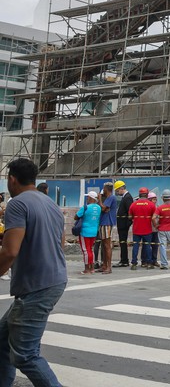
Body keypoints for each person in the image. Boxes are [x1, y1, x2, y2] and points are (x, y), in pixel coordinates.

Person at [0, 157, 68, 386]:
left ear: (11, 179)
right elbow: (60, 243)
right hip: (53, 280)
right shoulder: (51, 204)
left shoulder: (17, 203)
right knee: (2, 341)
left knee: (25, 354)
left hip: (37, 286)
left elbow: (9, 251)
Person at [128, 188, 156, 270]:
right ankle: (149, 263)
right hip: (147, 229)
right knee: (147, 246)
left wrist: (135, 218)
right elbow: (154, 216)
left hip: (136, 229)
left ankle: (134, 264)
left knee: (135, 246)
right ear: (147, 195)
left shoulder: (133, 204)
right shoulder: (151, 205)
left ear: (139, 194)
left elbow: (130, 216)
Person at [76, 191, 101, 275]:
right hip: (94, 231)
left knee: (85, 250)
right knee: (90, 249)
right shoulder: (98, 208)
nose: (87, 199)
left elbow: (76, 216)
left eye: (88, 197)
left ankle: (87, 269)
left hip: (85, 231)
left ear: (91, 198)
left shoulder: (85, 207)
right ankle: (92, 268)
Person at [96, 182, 116, 274]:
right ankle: (104, 265)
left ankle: (108, 266)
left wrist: (100, 200)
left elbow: (104, 208)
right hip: (103, 222)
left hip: (107, 223)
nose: (103, 190)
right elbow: (104, 209)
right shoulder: (108, 198)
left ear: (107, 189)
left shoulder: (111, 197)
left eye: (104, 188)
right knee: (104, 245)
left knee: (107, 245)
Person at [113, 180, 133, 268]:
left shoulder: (127, 197)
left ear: (121, 188)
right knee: (122, 242)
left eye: (117, 190)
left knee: (123, 242)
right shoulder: (125, 197)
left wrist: (127, 224)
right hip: (122, 224)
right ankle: (123, 260)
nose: (117, 193)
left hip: (123, 225)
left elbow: (130, 212)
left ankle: (124, 260)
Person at [147, 191, 160, 267]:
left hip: (155, 230)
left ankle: (154, 260)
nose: (155, 201)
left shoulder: (157, 207)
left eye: (155, 199)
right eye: (153, 199)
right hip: (149, 230)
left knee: (155, 246)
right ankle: (147, 260)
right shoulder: (148, 207)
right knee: (147, 246)